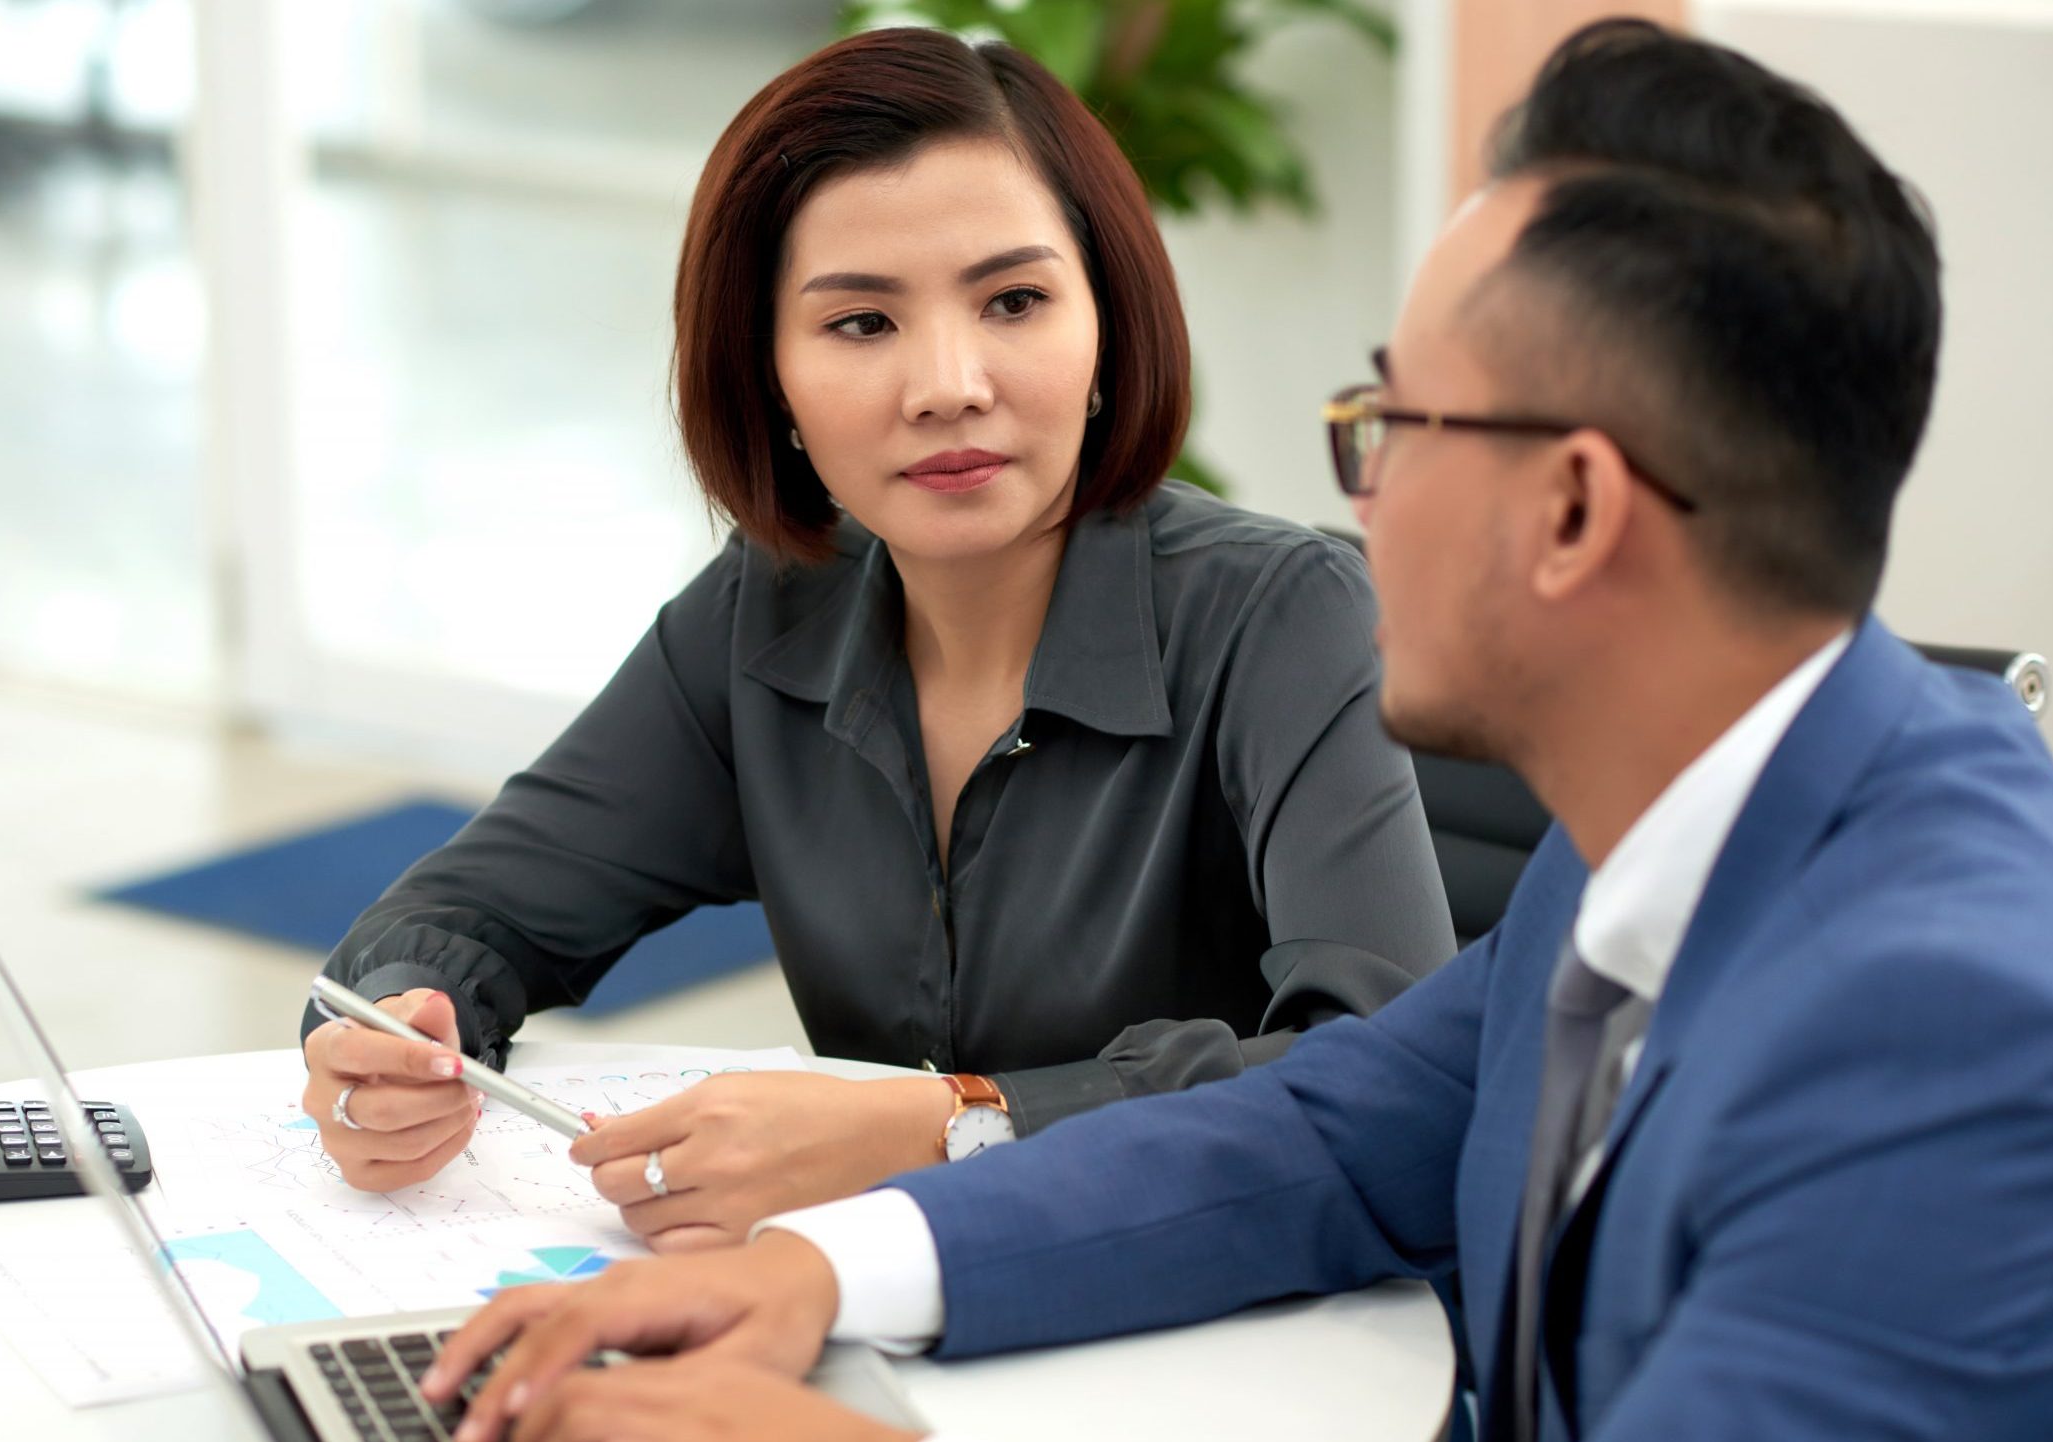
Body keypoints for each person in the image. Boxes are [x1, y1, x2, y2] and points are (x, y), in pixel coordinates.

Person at [418, 19, 2053, 1442]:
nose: (1351, 513)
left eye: (1392, 427)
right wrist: (815, 1272)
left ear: (1574, 507)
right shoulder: (1659, 838)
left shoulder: (1953, 1041)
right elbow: (1317, 1130)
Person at [296, 26, 1455, 1248]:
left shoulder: (1285, 615)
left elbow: (1393, 1086)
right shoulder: (768, 605)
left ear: (1106, 328)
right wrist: (398, 1028)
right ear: (771, 380)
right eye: (861, 323)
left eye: (1014, 300)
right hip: (889, 1313)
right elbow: (466, 913)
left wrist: (953, 1124)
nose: (947, 383)